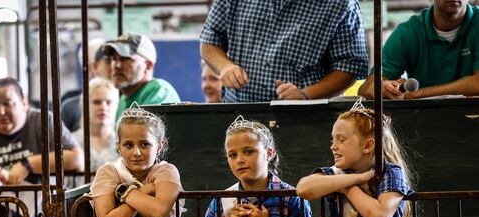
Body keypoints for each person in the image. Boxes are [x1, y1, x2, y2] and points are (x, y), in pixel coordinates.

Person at [199, 0, 368, 103]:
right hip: (238, 115)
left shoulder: (340, 4)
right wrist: (225, 67)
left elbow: (349, 68)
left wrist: (305, 95)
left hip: (301, 120)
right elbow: (209, 42)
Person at [0, 77, 83, 185]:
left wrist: (28, 165)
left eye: (8, 104)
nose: (1, 112)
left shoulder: (42, 121)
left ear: (24, 103)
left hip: (39, 213)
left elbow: (77, 159)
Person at [358, 0, 479, 99]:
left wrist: (419, 93)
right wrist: (382, 89)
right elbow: (366, 90)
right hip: (422, 121)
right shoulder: (408, 32)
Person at [102, 33, 181, 121]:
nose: (117, 65)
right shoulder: (123, 99)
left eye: (125, 58)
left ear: (148, 65)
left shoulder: (159, 92)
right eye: (114, 59)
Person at [61, 38, 112, 132]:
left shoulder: (125, 100)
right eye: (108, 61)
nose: (115, 65)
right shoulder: (71, 107)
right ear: (93, 67)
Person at [72, 77, 119, 172]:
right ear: (83, 106)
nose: (103, 107)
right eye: (97, 102)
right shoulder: (71, 143)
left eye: (109, 102)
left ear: (116, 106)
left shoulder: (124, 143)